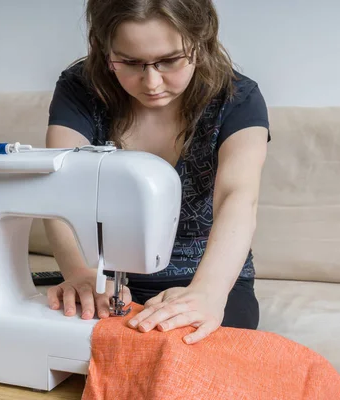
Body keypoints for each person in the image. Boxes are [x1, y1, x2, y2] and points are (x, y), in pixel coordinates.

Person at [43, 0, 270, 345]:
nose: (151, 81)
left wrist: (208, 293)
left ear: (200, 41)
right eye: (129, 62)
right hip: (103, 277)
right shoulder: (80, 88)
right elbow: (59, 185)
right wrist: (80, 273)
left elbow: (238, 197)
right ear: (104, 49)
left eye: (169, 61)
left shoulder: (237, 98)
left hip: (207, 276)